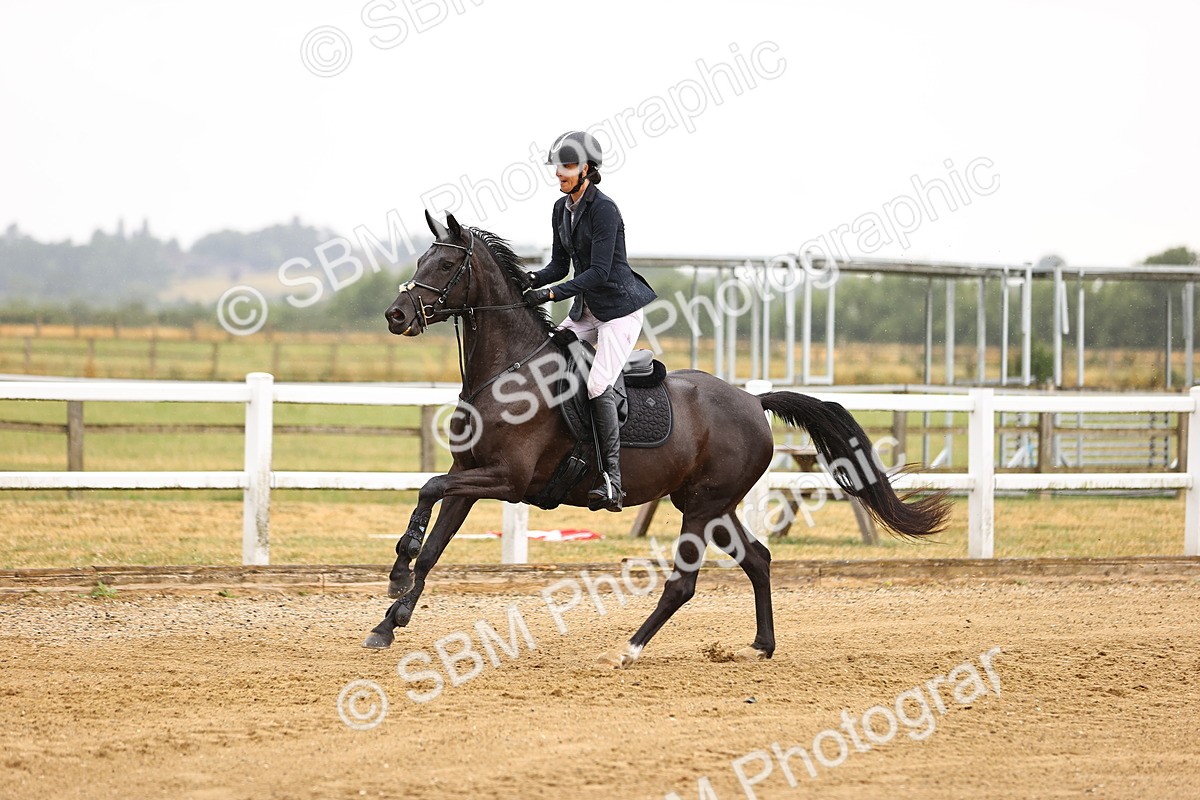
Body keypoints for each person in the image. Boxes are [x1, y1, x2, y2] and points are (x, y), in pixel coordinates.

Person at [523, 130, 657, 512]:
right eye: (557, 166)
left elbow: (599, 272)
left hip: (619, 312)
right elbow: (558, 266)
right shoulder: (560, 208)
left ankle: (612, 481)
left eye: (567, 166)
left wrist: (551, 295)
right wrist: (527, 280)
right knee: (546, 352)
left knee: (598, 384)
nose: (559, 173)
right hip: (587, 311)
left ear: (587, 169)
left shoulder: (604, 209)